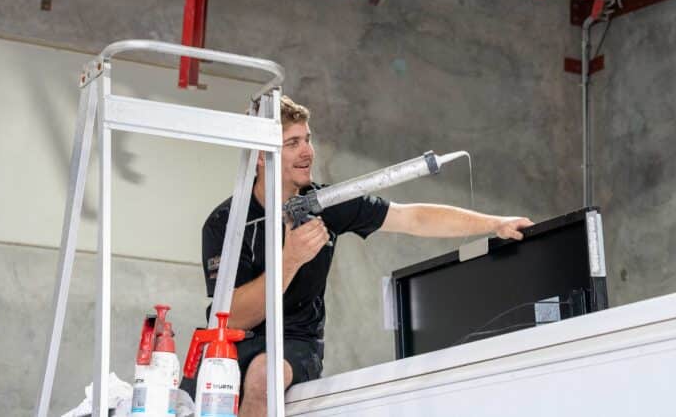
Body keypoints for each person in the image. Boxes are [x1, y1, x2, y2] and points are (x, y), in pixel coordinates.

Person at [194, 96, 533, 417]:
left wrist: (495, 223)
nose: (308, 151)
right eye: (292, 143)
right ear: (259, 154)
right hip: (232, 340)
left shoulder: (326, 203)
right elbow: (232, 317)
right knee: (180, 393)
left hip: (294, 343)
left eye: (308, 139)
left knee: (262, 376)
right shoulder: (226, 223)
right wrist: (290, 259)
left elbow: (413, 217)